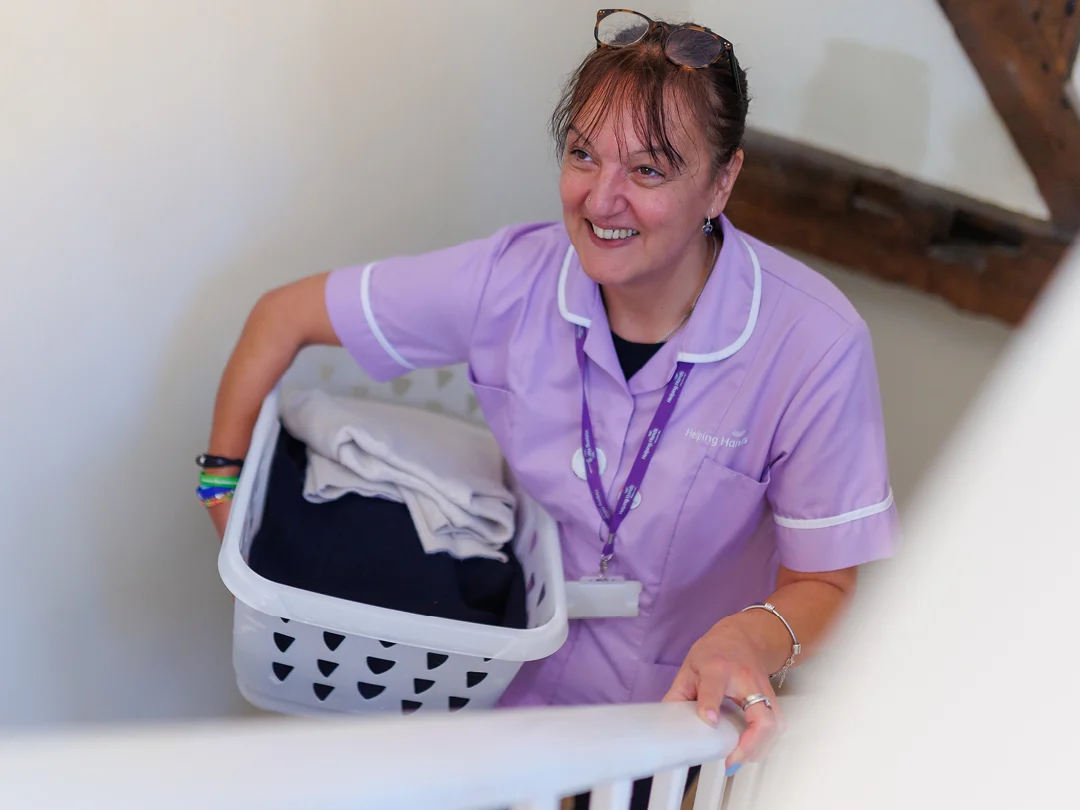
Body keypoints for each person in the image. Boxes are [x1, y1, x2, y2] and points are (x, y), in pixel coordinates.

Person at [200, 8, 898, 782]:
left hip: (676, 728)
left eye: (648, 170)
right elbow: (281, 317)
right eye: (582, 155)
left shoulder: (814, 343)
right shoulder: (511, 281)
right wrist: (220, 483)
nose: (602, 200)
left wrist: (750, 638)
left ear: (722, 180)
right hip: (495, 707)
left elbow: (828, 581)